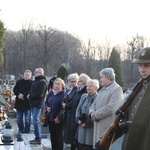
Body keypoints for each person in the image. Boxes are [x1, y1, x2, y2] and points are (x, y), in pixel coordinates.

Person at [119, 47, 150, 150]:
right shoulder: (141, 85)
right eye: (140, 65)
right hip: (134, 140)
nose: (142, 69)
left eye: (146, 65)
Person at [89, 68, 124, 149]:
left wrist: (96, 115)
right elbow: (93, 105)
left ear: (108, 78)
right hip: (98, 127)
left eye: (102, 77)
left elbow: (112, 107)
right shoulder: (103, 90)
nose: (100, 80)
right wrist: (91, 113)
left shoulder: (117, 89)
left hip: (107, 128)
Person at [76, 79, 99, 150]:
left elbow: (96, 112)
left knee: (88, 145)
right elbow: (78, 108)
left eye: (90, 86)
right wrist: (77, 119)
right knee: (80, 145)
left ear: (96, 88)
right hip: (81, 126)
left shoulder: (98, 98)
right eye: (87, 86)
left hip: (91, 127)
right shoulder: (84, 96)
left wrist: (87, 123)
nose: (88, 88)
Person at [27, 68, 47, 144]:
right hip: (33, 102)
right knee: (35, 120)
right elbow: (31, 90)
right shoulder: (36, 81)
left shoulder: (43, 82)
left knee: (35, 120)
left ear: (40, 73)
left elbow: (40, 93)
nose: (34, 73)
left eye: (35, 72)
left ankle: (38, 138)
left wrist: (30, 96)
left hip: (38, 103)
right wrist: (29, 95)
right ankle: (37, 137)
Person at [45, 78, 65, 150]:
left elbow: (62, 108)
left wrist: (58, 117)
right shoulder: (51, 93)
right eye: (55, 84)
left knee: (59, 138)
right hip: (50, 118)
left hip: (59, 119)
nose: (56, 86)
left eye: (58, 84)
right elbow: (46, 102)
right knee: (53, 137)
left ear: (62, 85)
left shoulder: (63, 94)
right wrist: (47, 107)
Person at [72, 73, 90, 149]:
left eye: (79, 81)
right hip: (76, 116)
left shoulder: (85, 92)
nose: (77, 82)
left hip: (82, 119)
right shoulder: (78, 91)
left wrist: (79, 119)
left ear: (83, 82)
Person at [62, 73, 79, 150]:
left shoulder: (77, 90)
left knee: (72, 134)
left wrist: (66, 105)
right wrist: (63, 103)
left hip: (72, 114)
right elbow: (64, 98)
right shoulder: (69, 89)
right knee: (67, 132)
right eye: (71, 81)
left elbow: (74, 102)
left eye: (75, 81)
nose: (73, 83)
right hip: (67, 114)